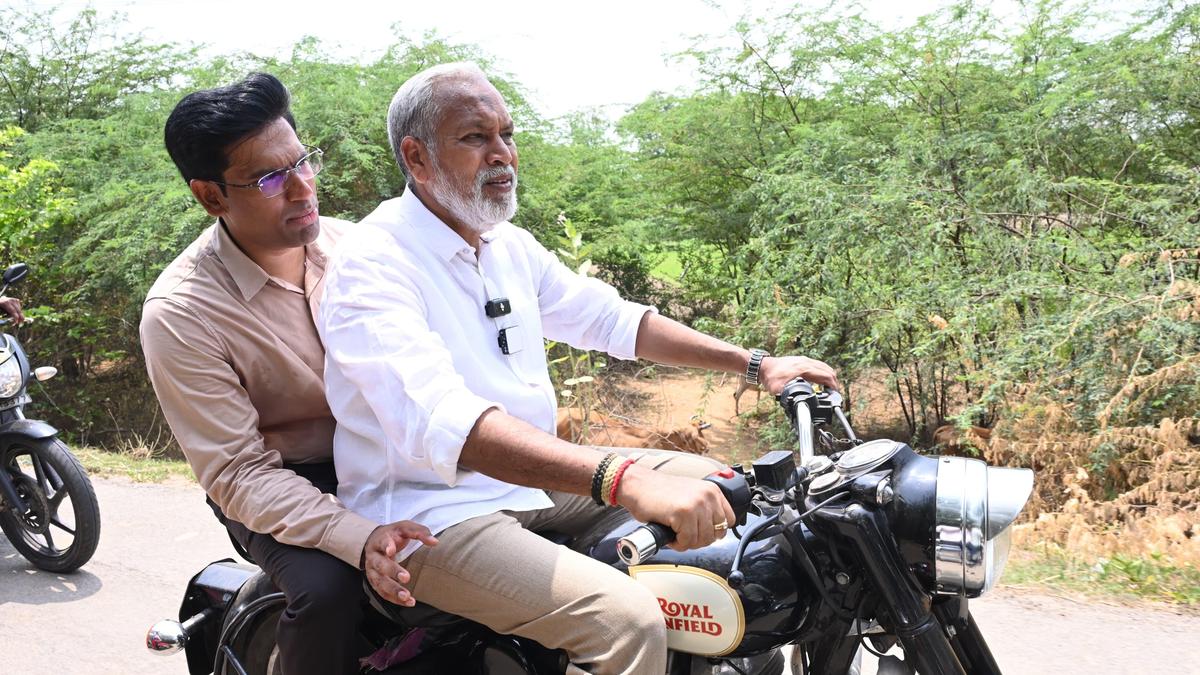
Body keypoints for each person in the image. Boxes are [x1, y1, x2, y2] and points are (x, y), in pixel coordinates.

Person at [319, 62, 840, 675]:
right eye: (475, 138)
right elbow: (447, 424)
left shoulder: (506, 244)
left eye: (507, 135)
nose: (502, 155)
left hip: (529, 486)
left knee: (735, 489)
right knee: (626, 622)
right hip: (431, 515)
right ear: (417, 157)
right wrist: (624, 479)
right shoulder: (372, 265)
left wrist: (756, 363)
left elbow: (615, 322)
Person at [139, 73, 435, 675]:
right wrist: (355, 535)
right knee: (327, 591)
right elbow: (237, 473)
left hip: (389, 454)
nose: (303, 187)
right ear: (211, 196)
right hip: (285, 481)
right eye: (271, 178)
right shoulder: (181, 312)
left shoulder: (361, 250)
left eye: (303, 161)